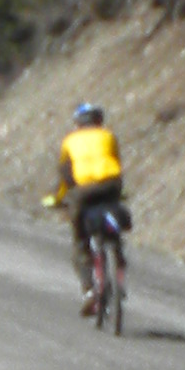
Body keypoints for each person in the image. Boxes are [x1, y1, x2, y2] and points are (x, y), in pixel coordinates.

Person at [49, 100, 131, 311]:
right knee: (114, 215)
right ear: (98, 120)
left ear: (78, 123)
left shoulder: (69, 141)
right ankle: (118, 257)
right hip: (111, 185)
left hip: (84, 191)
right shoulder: (109, 136)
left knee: (80, 240)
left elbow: (65, 176)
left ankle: (90, 290)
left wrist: (58, 198)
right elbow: (116, 162)